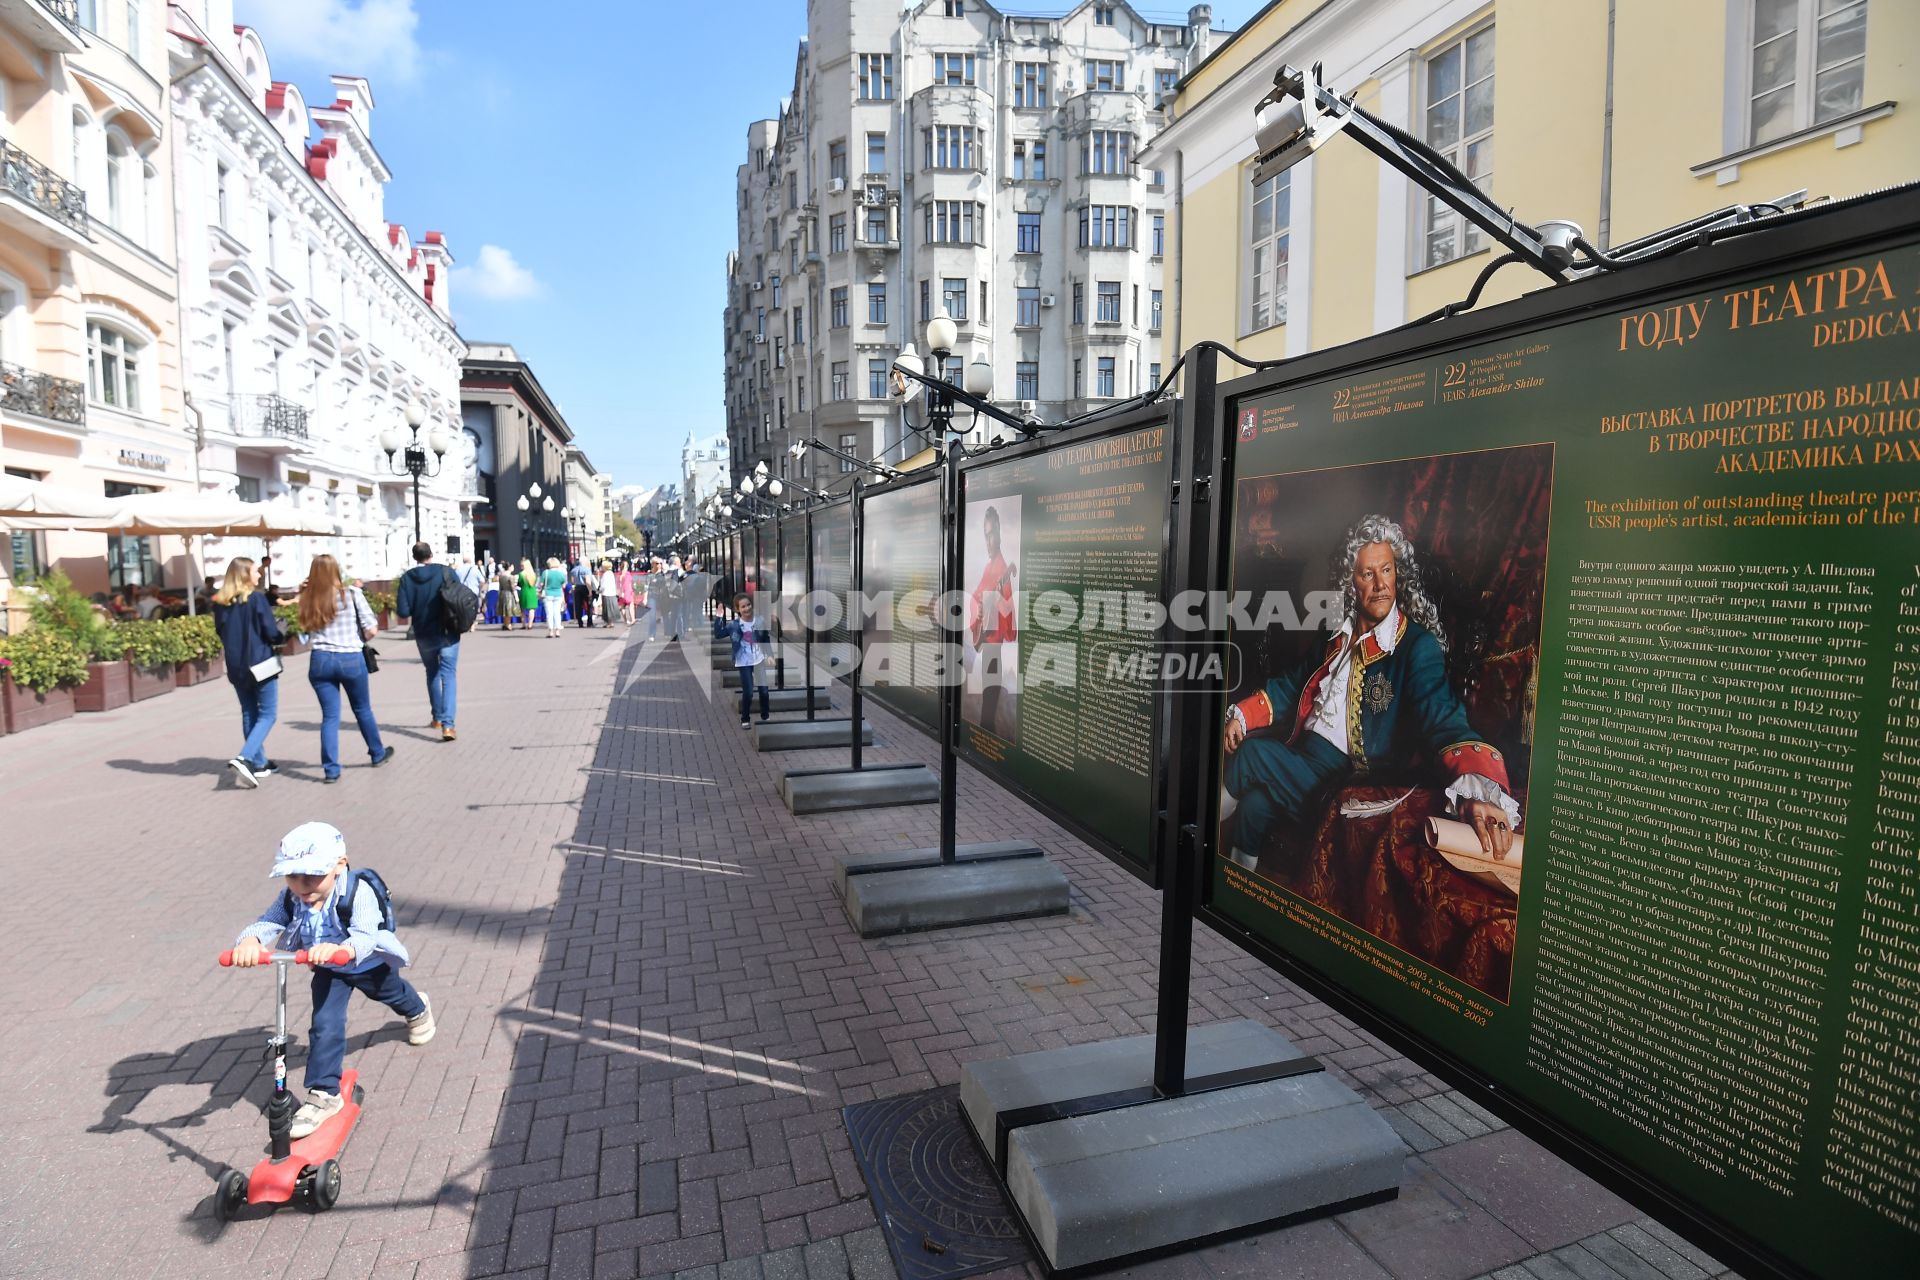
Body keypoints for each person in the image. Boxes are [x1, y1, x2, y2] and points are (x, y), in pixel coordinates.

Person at [1221, 514, 1519, 871]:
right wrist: (1242, 714)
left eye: (1388, 570)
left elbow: (1443, 718)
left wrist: (1477, 787)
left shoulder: (1415, 647)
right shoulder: (1336, 633)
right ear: (1351, 582)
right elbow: (1291, 684)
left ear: (1398, 573)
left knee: (1253, 753)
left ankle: (1199, 834)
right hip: (1302, 756)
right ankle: (1235, 883)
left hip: (1351, 776)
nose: (1380, 584)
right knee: (1254, 807)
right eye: (1367, 574)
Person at [228, 822, 435, 1139]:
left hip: (365, 962)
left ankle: (418, 1008)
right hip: (327, 969)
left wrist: (343, 949)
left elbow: (366, 935)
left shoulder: (357, 891)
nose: (301, 884)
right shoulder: (292, 897)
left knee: (392, 993)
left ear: (339, 864)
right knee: (325, 1023)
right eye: (292, 875)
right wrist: (250, 941)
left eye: (312, 875)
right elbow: (269, 921)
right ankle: (325, 1094)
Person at [296, 554, 394, 783]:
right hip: (350, 657)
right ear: (336, 571)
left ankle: (331, 770)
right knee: (362, 709)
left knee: (330, 716)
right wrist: (357, 637)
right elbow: (372, 629)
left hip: (320, 659)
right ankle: (377, 753)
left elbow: (302, 638)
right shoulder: (351, 594)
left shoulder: (309, 598)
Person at [211, 557, 285, 789]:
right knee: (268, 714)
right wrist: (281, 633)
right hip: (260, 663)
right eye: (255, 571)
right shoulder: (257, 599)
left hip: (236, 665)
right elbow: (271, 631)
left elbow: (220, 632)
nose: (259, 575)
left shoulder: (221, 603)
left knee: (248, 712)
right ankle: (244, 757)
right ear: (244, 574)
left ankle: (260, 762)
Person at [395, 541, 461, 742]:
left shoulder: (407, 579)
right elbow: (460, 596)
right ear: (431, 554)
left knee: (432, 671)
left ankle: (437, 718)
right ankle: (448, 726)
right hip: (448, 631)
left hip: (424, 634)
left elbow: (403, 611)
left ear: (415, 557)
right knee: (448, 675)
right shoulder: (445, 572)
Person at [967, 506, 1018, 739]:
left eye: (992, 534)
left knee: (990, 689)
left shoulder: (1000, 568)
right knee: (988, 690)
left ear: (999, 534)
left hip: (993, 645)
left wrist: (994, 599)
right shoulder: (989, 567)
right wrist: (979, 608)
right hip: (986, 640)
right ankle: (986, 728)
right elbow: (977, 595)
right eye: (985, 535)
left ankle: (988, 730)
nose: (989, 541)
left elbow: (1007, 612)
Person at [723, 592, 772, 728]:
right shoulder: (735, 624)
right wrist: (718, 618)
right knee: (749, 692)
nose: (747, 608)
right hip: (743, 662)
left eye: (748, 605)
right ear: (737, 609)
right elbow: (719, 634)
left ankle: (765, 716)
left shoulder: (759, 620)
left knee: (764, 691)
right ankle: (745, 718)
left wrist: (770, 655)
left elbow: (765, 638)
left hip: (759, 659)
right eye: (743, 606)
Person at [540, 557, 568, 638]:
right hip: (558, 594)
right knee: (557, 613)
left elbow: (541, 584)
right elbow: (563, 585)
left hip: (548, 594)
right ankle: (558, 631)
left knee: (549, 613)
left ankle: (551, 631)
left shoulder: (545, 573)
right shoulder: (561, 573)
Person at [569, 558, 594, 628]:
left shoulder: (573, 570)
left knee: (578, 605)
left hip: (577, 588)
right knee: (589, 605)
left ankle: (580, 622)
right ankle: (589, 622)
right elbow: (587, 581)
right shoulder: (586, 570)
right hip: (585, 587)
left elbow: (572, 581)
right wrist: (590, 591)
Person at [496, 560, 521, 630]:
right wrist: (516, 597)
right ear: (509, 567)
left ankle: (505, 623)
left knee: (504, 610)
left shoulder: (501, 576)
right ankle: (508, 624)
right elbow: (513, 588)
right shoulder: (511, 577)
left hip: (502, 593)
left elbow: (500, 587)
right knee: (508, 610)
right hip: (509, 594)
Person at [517, 558, 539, 630]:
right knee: (532, 609)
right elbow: (535, 583)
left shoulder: (521, 574)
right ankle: (530, 624)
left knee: (522, 609)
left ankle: (523, 624)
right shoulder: (533, 574)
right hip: (532, 592)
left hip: (524, 591)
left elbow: (519, 583)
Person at [597, 560, 621, 627]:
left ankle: (609, 622)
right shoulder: (611, 573)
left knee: (607, 609)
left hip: (606, 593)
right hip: (612, 593)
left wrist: (599, 591)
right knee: (611, 608)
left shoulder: (606, 574)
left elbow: (603, 585)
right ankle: (610, 622)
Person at [615, 560, 635, 626]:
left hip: (621, 592)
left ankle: (626, 620)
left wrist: (619, 592)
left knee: (622, 607)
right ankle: (632, 619)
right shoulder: (628, 574)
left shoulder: (619, 575)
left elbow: (617, 585)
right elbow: (630, 583)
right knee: (631, 605)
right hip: (628, 592)